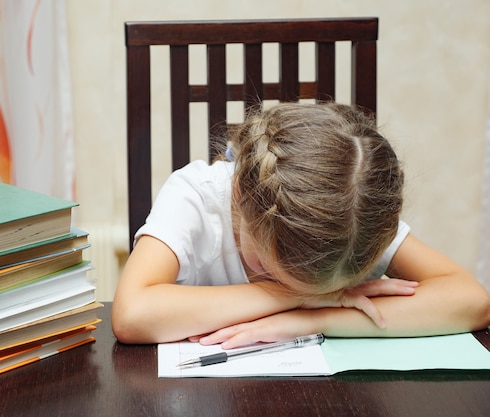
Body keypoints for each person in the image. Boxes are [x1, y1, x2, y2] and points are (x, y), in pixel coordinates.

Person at [112, 102, 490, 349]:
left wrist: (313, 319)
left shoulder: (350, 213)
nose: (290, 287)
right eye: (269, 270)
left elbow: (471, 302)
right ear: (242, 196)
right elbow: (132, 314)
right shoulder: (195, 196)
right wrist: (291, 297)